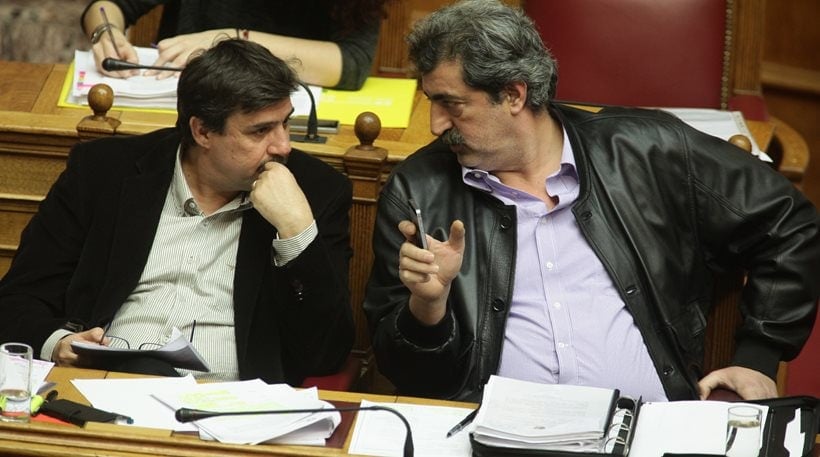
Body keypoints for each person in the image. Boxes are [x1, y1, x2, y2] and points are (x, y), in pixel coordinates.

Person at [363, 0, 820, 402]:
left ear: (514, 94)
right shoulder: (419, 190)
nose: (436, 124)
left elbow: (789, 223)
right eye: (432, 102)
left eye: (452, 104)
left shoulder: (648, 152)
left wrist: (758, 357)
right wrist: (428, 308)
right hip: (495, 435)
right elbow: (409, 375)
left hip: (649, 430)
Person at [0, 38, 354, 385]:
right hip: (102, 385)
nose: (283, 146)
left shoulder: (315, 191)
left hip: (228, 401)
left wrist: (296, 231)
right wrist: (58, 343)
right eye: (260, 131)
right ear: (202, 131)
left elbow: (326, 353)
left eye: (285, 123)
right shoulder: (104, 172)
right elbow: (19, 297)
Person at [80, 0, 391, 90]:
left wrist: (231, 40)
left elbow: (350, 63)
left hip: (283, 118)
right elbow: (106, 6)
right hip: (186, 105)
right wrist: (105, 32)